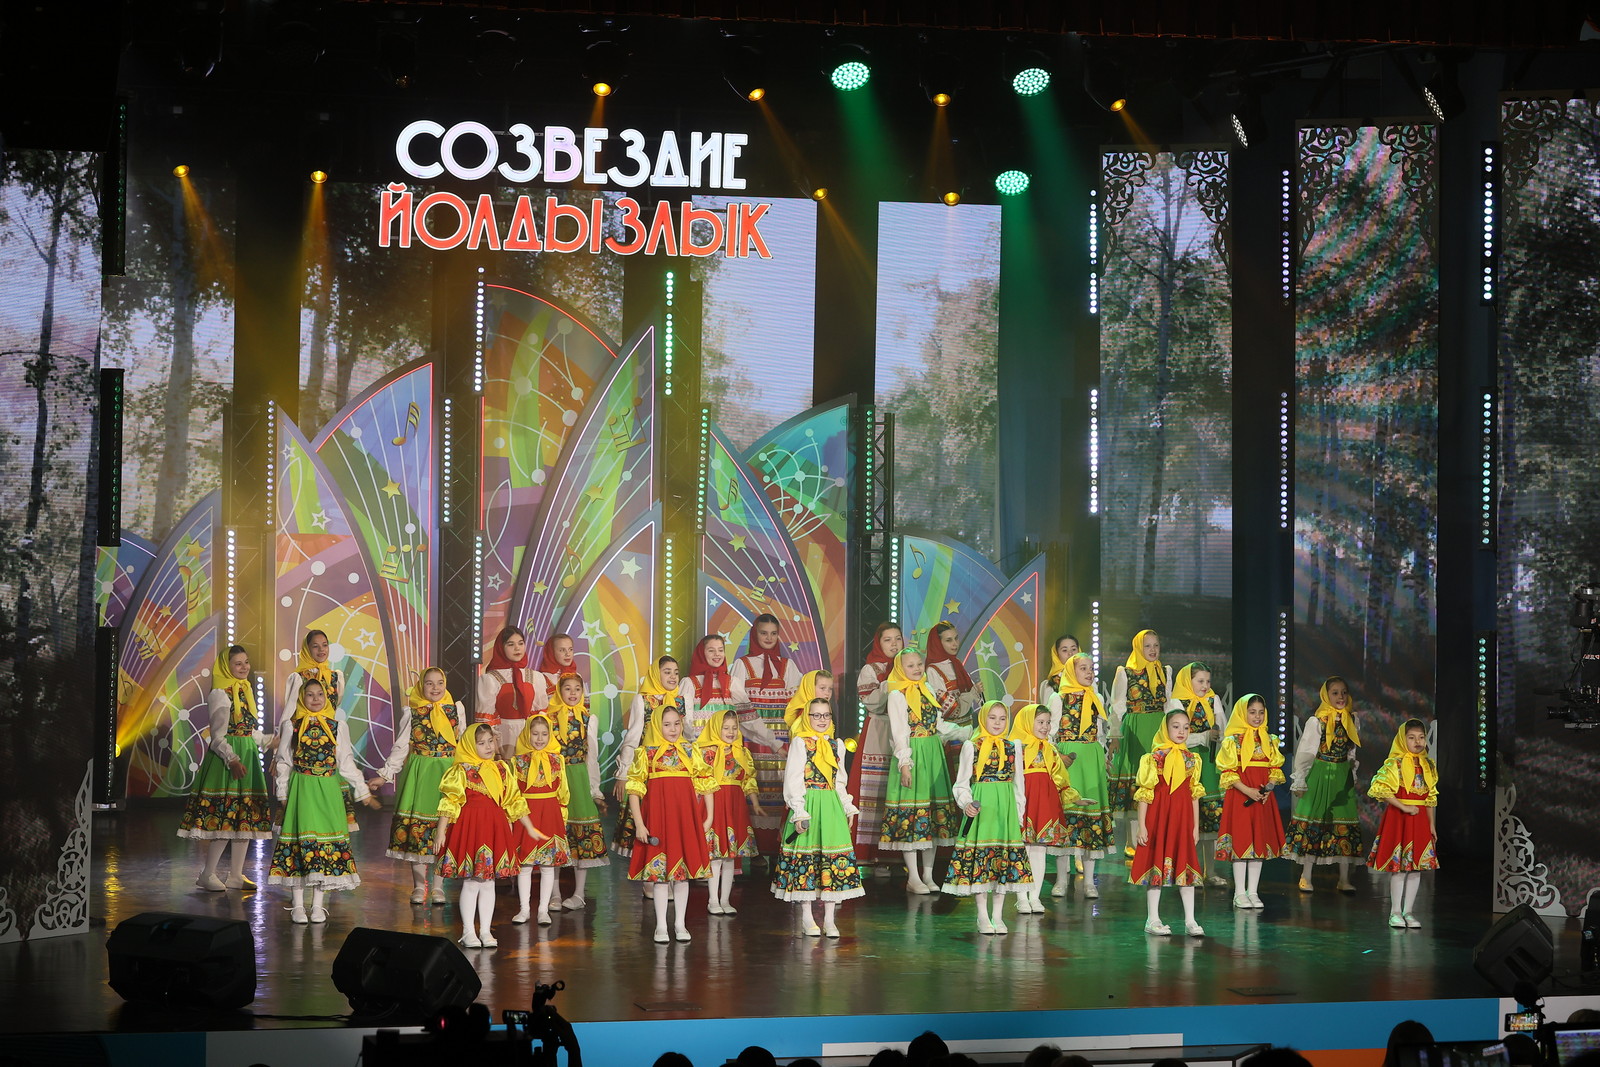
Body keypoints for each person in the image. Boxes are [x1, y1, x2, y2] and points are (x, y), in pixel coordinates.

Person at [268, 678, 379, 923]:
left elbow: (346, 762)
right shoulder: (292, 725)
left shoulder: (338, 726)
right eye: (310, 694)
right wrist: (283, 793)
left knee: (325, 846)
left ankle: (318, 905)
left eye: (320, 694)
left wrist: (363, 791)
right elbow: (285, 761)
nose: (316, 698)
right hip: (302, 789)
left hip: (328, 790)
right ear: (302, 698)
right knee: (301, 843)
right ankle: (298, 906)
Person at [435, 722, 542, 948]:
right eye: (481, 743)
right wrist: (441, 831)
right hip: (471, 828)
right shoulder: (462, 770)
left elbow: (514, 800)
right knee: (472, 882)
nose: (488, 747)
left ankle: (485, 930)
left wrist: (529, 827)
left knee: (488, 882)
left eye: (490, 742)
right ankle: (468, 931)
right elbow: (450, 802)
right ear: (470, 745)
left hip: (494, 827)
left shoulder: (501, 769)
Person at [179, 644, 274, 892]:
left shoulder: (245, 690)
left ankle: (236, 875)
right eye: (238, 663)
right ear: (226, 666)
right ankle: (207, 873)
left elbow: (248, 731)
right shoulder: (220, 694)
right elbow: (218, 736)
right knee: (225, 819)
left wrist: (268, 740)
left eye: (246, 662)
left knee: (244, 820)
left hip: (247, 757)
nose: (244, 667)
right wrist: (232, 759)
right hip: (227, 762)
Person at [369, 666, 464, 905]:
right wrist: (385, 775)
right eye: (429, 683)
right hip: (421, 774)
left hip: (448, 776)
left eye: (439, 682)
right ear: (421, 686)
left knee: (444, 831)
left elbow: (463, 744)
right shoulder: (412, 712)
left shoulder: (456, 709)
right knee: (418, 832)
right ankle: (419, 886)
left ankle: (439, 886)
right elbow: (401, 746)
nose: (435, 688)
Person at [880, 648, 973, 892]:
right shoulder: (897, 694)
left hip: (933, 754)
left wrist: (966, 732)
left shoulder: (927, 688)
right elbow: (899, 732)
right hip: (914, 754)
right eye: (910, 665)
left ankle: (928, 876)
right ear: (900, 668)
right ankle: (913, 877)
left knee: (931, 817)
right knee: (913, 817)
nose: (916, 669)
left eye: (919, 664)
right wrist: (905, 764)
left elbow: (938, 724)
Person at [772, 697, 863, 937]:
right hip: (810, 803)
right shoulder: (800, 743)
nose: (822, 720)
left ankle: (830, 920)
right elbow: (793, 779)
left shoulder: (837, 744)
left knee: (832, 860)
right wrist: (799, 810)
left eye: (826, 715)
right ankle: (807, 916)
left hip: (831, 805)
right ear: (808, 717)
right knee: (807, 860)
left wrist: (847, 806)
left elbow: (839, 780)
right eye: (816, 715)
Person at [626, 704, 717, 943]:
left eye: (677, 724)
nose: (673, 729)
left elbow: (706, 781)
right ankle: (660, 926)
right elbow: (634, 789)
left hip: (684, 820)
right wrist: (639, 824)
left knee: (682, 874)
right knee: (660, 876)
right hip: (658, 820)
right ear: (657, 725)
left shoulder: (690, 750)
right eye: (667, 724)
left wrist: (708, 816)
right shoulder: (646, 753)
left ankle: (680, 924)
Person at [943, 701, 1031, 934]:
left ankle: (998, 916)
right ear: (983, 719)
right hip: (983, 810)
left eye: (1002, 718)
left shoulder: (1013, 746)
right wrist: (966, 803)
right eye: (992, 718)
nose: (997, 723)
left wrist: (1018, 815)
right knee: (981, 863)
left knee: (1001, 862)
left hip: (1005, 810)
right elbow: (961, 783)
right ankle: (982, 915)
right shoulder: (972, 746)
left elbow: (1019, 785)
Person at [1129, 709, 1205, 936]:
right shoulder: (1153, 759)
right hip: (1159, 817)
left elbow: (1194, 795)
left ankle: (1190, 920)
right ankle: (1152, 919)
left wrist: (1195, 826)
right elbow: (1145, 794)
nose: (1181, 731)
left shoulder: (1192, 759)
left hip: (1182, 820)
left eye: (1186, 727)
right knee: (1156, 865)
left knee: (1186, 866)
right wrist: (1142, 825)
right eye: (1176, 726)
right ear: (1165, 728)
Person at [1284, 676, 1364, 892]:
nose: (1340, 697)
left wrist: (1351, 771)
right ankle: (1306, 875)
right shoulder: (1317, 721)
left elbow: (1351, 750)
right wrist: (1300, 779)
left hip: (1341, 775)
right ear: (1326, 695)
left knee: (1344, 823)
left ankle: (1344, 878)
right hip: (1320, 773)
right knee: (1314, 822)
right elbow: (1306, 752)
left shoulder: (1352, 719)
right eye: (1335, 693)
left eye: (1344, 692)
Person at [614, 657, 696, 859]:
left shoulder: (682, 700)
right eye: (667, 672)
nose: (673, 676)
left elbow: (689, 736)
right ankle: (648, 871)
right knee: (650, 821)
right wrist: (623, 773)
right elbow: (633, 738)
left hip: (676, 770)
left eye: (676, 672)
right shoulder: (643, 700)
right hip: (650, 769)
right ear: (655, 674)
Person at [1046, 652, 1113, 897]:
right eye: (1083, 668)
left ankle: (1089, 882)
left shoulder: (1095, 697)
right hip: (1069, 761)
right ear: (1071, 671)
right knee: (1068, 816)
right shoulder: (1058, 698)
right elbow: (1049, 734)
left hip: (1091, 760)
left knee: (1090, 816)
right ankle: (1061, 879)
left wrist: (1103, 757)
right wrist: (1057, 757)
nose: (1089, 672)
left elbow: (1100, 732)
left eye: (1091, 668)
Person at [730, 614, 800, 850]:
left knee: (780, 789)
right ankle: (755, 850)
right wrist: (765, 736)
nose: (769, 638)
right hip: (751, 739)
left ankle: (777, 848)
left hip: (782, 738)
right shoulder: (742, 664)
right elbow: (739, 705)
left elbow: (797, 704)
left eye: (773, 633)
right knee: (753, 787)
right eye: (763, 633)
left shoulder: (788, 665)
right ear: (755, 634)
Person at [281, 629, 358, 833]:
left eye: (324, 645)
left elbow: (334, 705)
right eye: (315, 646)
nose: (321, 650)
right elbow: (289, 712)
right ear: (307, 649)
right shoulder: (298, 677)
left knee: (330, 813)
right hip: (303, 739)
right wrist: (281, 745)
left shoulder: (335, 676)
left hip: (326, 741)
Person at [1214, 694, 1286, 909]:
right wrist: (1247, 791)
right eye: (1252, 712)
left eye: (1261, 712)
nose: (1257, 716)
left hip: (1262, 798)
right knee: (1241, 841)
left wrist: (1268, 788)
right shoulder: (1233, 741)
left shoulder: (1269, 740)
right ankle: (1239, 893)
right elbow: (1228, 772)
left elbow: (1275, 768)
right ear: (1242, 713)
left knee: (1258, 843)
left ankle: (1253, 892)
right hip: (1241, 796)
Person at [1367, 718, 1440, 928]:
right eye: (1412, 738)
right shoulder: (1395, 764)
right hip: (1399, 818)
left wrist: (1431, 824)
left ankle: (1409, 912)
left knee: (1416, 867)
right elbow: (1380, 789)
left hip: (1420, 820)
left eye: (1421, 737)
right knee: (1399, 868)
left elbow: (1430, 798)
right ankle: (1395, 912)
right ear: (1402, 739)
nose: (1417, 742)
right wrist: (1404, 807)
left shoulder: (1428, 765)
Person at [1010, 703, 1083, 913]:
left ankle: (1034, 897)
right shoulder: (1016, 747)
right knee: (1022, 850)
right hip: (1024, 801)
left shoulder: (1049, 749)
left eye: (1048, 722)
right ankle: (1021, 897)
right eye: (1040, 722)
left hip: (1045, 803)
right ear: (1027, 722)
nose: (1045, 727)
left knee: (1039, 850)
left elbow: (1060, 777)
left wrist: (1074, 797)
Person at [697, 706, 766, 915]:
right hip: (716, 803)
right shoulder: (707, 753)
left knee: (730, 857)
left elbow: (748, 779)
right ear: (716, 728)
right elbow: (701, 781)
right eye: (725, 728)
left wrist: (755, 803)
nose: (730, 732)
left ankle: (725, 900)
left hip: (735, 806)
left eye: (734, 728)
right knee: (716, 855)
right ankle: (712, 900)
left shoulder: (741, 752)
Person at [548, 672, 607, 908]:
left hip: (579, 778)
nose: (573, 693)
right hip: (556, 779)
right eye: (567, 688)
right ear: (559, 691)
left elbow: (592, 757)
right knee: (555, 835)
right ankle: (554, 893)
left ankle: (579, 893)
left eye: (577, 689)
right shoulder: (548, 717)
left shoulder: (587, 718)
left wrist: (595, 790)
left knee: (581, 835)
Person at [1108, 630, 1171, 852]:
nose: (1153, 650)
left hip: (1159, 730)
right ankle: (1131, 841)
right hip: (1135, 729)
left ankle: (1155, 838)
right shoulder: (1125, 672)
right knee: (1137, 781)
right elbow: (1117, 707)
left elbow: (1169, 705)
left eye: (1156, 645)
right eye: (1147, 646)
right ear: (1138, 648)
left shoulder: (1165, 671)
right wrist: (1115, 736)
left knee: (1158, 782)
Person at [850, 622, 905, 871]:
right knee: (875, 789)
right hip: (880, 730)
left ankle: (895, 854)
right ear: (878, 643)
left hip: (903, 730)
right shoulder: (871, 669)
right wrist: (891, 682)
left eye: (897, 639)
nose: (894, 644)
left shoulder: (909, 666)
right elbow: (871, 702)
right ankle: (869, 852)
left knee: (898, 789)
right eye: (888, 640)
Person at [1166, 663, 1227, 885]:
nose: (1205, 686)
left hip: (1208, 764)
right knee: (1187, 819)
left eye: (1208, 681)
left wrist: (1217, 737)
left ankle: (1209, 871)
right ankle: (1186, 870)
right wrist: (1203, 736)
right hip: (1185, 764)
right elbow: (1173, 736)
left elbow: (1223, 730)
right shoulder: (1176, 702)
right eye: (1200, 681)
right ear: (1187, 681)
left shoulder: (1213, 700)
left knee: (1208, 816)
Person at [511, 713, 571, 926]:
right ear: (527, 734)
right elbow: (513, 793)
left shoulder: (557, 760)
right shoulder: (518, 761)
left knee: (547, 866)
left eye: (544, 734)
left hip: (550, 814)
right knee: (525, 865)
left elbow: (563, 790)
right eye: (535, 734)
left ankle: (543, 910)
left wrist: (562, 816)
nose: (539, 738)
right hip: (526, 815)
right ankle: (524, 909)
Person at [478, 626, 545, 757]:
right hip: (503, 736)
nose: (517, 648)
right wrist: (495, 747)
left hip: (529, 736)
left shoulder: (535, 677)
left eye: (520, 643)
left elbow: (540, 714)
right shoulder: (491, 678)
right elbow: (485, 720)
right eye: (511, 644)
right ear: (501, 648)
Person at [685, 633, 736, 742]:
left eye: (721, 650)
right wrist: (693, 744)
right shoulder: (690, 683)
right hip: (698, 746)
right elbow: (684, 718)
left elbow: (744, 715)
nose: (717, 654)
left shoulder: (732, 682)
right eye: (711, 650)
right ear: (701, 653)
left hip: (726, 747)